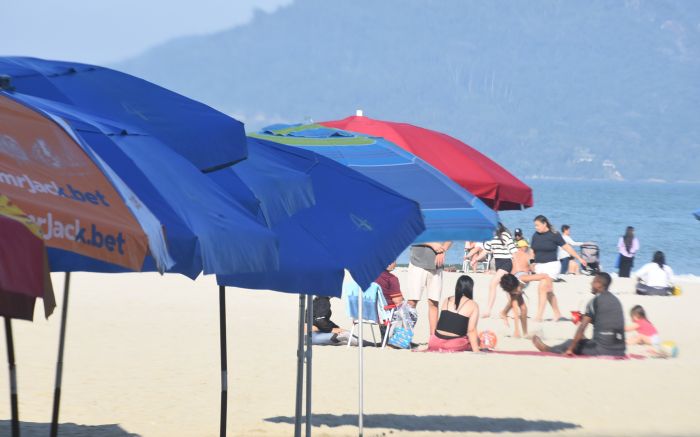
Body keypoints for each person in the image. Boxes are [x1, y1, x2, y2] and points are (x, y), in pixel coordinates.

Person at [532, 272, 626, 357]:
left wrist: (570, 349)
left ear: (598, 284)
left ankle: (549, 350)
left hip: (603, 350)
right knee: (584, 340)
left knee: (571, 342)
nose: (590, 284)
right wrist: (583, 317)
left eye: (593, 282)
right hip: (620, 349)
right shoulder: (616, 300)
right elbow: (604, 322)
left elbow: (582, 328)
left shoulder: (595, 301)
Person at [405, 241, 452, 335]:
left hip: (436, 266)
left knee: (434, 302)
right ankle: (404, 336)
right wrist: (432, 244)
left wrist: (442, 250)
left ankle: (433, 338)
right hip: (417, 263)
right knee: (412, 302)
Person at [427, 275, 481, 352]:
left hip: (434, 342)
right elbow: (471, 330)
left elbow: (443, 323)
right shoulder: (473, 305)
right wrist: (476, 350)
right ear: (470, 288)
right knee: (473, 341)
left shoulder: (447, 299)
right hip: (452, 344)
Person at [473, 223, 516, 318]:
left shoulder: (505, 235)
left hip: (507, 263)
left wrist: (516, 267)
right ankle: (515, 309)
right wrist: (476, 259)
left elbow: (514, 252)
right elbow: (486, 250)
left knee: (493, 284)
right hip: (498, 263)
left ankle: (488, 310)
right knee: (507, 289)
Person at [509, 240, 558, 322]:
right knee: (545, 276)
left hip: (512, 278)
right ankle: (550, 290)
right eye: (526, 247)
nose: (527, 249)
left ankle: (511, 312)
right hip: (521, 276)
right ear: (523, 247)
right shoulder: (527, 255)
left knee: (516, 295)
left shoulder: (513, 255)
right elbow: (532, 267)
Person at [499, 274, 528, 338]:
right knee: (523, 308)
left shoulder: (523, 278)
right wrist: (516, 330)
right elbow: (515, 311)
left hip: (519, 276)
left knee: (522, 307)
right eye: (513, 293)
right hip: (511, 282)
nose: (515, 293)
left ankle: (504, 312)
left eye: (515, 291)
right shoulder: (513, 291)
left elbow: (543, 276)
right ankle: (525, 333)